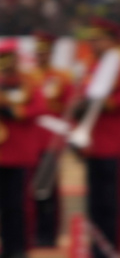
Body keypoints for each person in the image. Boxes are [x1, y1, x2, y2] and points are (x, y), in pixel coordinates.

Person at [73, 18, 120, 258]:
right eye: (91, 40)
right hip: (93, 143)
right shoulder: (91, 66)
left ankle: (113, 248)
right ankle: (97, 248)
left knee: (113, 202)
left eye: (98, 39)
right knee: (95, 202)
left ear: (112, 41)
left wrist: (103, 104)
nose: (92, 44)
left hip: (114, 143)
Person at [0, 38, 46, 258]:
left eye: (8, 59)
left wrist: (13, 111)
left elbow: (38, 108)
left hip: (18, 152)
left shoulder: (28, 81)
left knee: (17, 205)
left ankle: (17, 248)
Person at [29, 30, 74, 248]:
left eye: (44, 52)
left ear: (51, 53)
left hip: (50, 140)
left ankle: (49, 234)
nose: (40, 56)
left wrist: (66, 135)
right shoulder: (28, 77)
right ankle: (32, 230)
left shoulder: (62, 78)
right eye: (38, 52)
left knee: (47, 190)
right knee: (28, 188)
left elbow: (70, 109)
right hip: (29, 141)